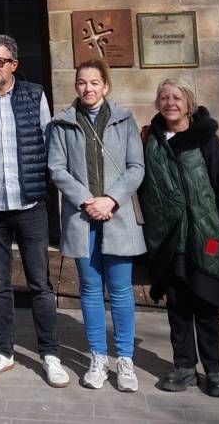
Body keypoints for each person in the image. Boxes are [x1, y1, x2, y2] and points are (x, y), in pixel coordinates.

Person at [0, 35, 67, 388]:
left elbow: (48, 143)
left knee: (40, 283)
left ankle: (50, 353)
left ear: (14, 65)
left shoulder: (34, 95)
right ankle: (3, 351)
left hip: (29, 204)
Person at [47, 58, 145, 392]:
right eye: (81, 82)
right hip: (82, 216)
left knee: (120, 290)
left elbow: (136, 167)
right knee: (89, 289)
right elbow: (57, 169)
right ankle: (98, 357)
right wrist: (88, 200)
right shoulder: (62, 123)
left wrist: (111, 200)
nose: (87, 88)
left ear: (106, 86)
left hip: (118, 215)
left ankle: (125, 360)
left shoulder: (124, 119)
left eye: (94, 82)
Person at [140, 79, 219, 398]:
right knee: (178, 305)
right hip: (170, 239)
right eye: (164, 97)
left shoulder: (205, 139)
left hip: (205, 237)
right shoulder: (151, 141)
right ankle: (184, 366)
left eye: (177, 97)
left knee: (207, 304)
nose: (170, 103)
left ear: (189, 104)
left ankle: (214, 371)